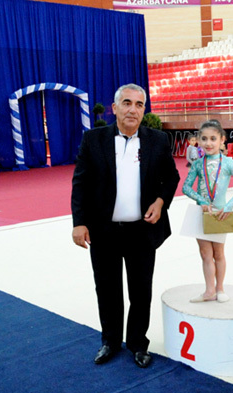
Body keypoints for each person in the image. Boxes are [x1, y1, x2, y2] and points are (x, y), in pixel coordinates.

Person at [71, 83, 180, 368]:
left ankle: (137, 343)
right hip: (103, 231)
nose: (133, 109)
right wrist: (79, 222)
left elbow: (171, 178)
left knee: (140, 290)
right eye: (127, 103)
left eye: (139, 104)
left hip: (142, 232)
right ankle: (109, 341)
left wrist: (160, 202)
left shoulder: (157, 140)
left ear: (145, 110)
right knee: (107, 289)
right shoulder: (93, 140)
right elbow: (80, 184)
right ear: (115, 107)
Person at [182, 120, 233, 303]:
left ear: (222, 140)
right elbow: (186, 187)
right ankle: (209, 290)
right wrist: (202, 201)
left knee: (218, 253)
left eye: (213, 138)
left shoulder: (228, 162)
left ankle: (220, 288)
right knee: (205, 254)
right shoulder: (197, 164)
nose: (208, 143)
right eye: (204, 139)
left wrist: (229, 207)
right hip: (201, 213)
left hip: (220, 214)